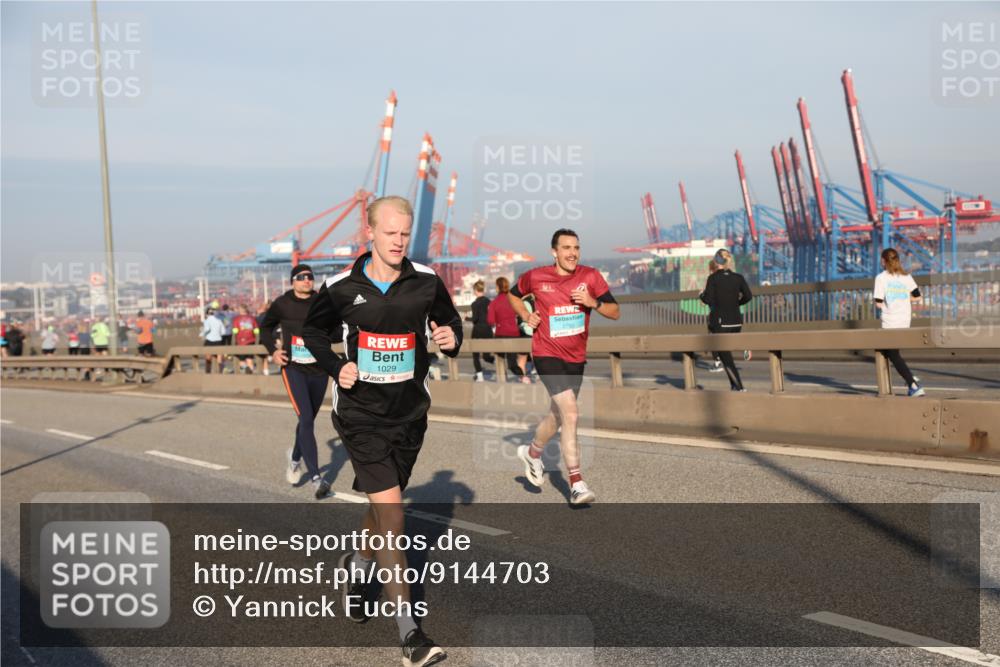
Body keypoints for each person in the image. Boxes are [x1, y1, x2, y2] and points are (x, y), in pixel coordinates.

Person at [302, 195, 461, 666]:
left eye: (404, 234)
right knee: (394, 517)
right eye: (389, 232)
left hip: (410, 415)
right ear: (369, 232)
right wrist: (336, 366)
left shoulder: (427, 281)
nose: (398, 241)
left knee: (380, 511)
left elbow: (448, 321)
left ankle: (359, 562)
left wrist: (451, 339)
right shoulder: (340, 286)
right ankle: (410, 633)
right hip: (360, 416)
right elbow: (312, 335)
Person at [508, 228, 620, 505]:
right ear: (554, 252)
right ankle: (577, 483)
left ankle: (532, 453)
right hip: (546, 353)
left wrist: (592, 302)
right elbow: (512, 295)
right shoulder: (535, 276)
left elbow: (615, 311)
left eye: (576, 248)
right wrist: (526, 315)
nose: (572, 253)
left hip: (575, 357)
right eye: (566, 248)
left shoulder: (590, 276)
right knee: (571, 413)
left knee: (558, 416)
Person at [260, 264, 331, 498]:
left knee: (306, 420)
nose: (306, 281)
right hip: (293, 368)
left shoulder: (322, 301)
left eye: (310, 277)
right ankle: (315, 478)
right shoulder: (282, 303)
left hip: (319, 369)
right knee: (307, 418)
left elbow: (337, 328)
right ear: (293, 281)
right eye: (301, 278)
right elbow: (265, 328)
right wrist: (273, 351)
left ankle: (294, 459)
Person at [699, 248, 752, 392]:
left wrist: (701, 296)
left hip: (722, 323)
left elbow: (708, 299)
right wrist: (737, 304)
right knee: (729, 350)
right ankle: (743, 345)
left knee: (726, 359)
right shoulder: (738, 277)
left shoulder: (714, 278)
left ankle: (739, 387)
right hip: (737, 322)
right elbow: (748, 296)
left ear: (716, 261)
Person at [874, 247, 925, 397]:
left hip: (890, 322)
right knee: (892, 353)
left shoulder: (881, 278)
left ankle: (912, 384)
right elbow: (918, 296)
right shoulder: (906, 277)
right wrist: (904, 299)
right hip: (904, 322)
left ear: (884, 261)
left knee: (892, 354)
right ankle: (908, 376)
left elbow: (878, 303)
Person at [488, 276, 529, 382]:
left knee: (500, 359)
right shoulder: (513, 300)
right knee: (512, 362)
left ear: (497, 287)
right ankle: (523, 377)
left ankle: (503, 380)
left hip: (501, 334)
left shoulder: (494, 303)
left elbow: (491, 320)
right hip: (514, 333)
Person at [467, 280, 494, 381]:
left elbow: (475, 319)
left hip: (478, 330)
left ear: (475, 290)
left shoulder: (475, 304)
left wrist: (466, 318)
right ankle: (494, 361)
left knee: (475, 354)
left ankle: (479, 375)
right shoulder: (489, 302)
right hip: (488, 330)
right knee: (486, 355)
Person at [703, 259, 725, 373]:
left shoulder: (711, 279)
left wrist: (702, 295)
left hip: (715, 315)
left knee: (713, 338)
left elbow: (707, 298)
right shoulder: (725, 279)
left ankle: (718, 363)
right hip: (726, 314)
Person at [232, 305, 260, 373]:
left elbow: (235, 332)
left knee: (241, 360)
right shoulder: (252, 319)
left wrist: (233, 343)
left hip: (240, 342)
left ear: (240, 310)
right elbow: (256, 331)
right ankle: (251, 372)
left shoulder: (236, 319)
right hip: (251, 341)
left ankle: (246, 368)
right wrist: (257, 341)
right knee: (250, 358)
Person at [200, 307, 226, 373]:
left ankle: (208, 373)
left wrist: (201, 334)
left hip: (209, 341)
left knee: (208, 359)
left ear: (206, 314)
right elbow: (223, 332)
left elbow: (207, 329)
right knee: (219, 359)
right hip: (218, 341)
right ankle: (221, 372)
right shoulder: (219, 320)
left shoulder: (207, 320)